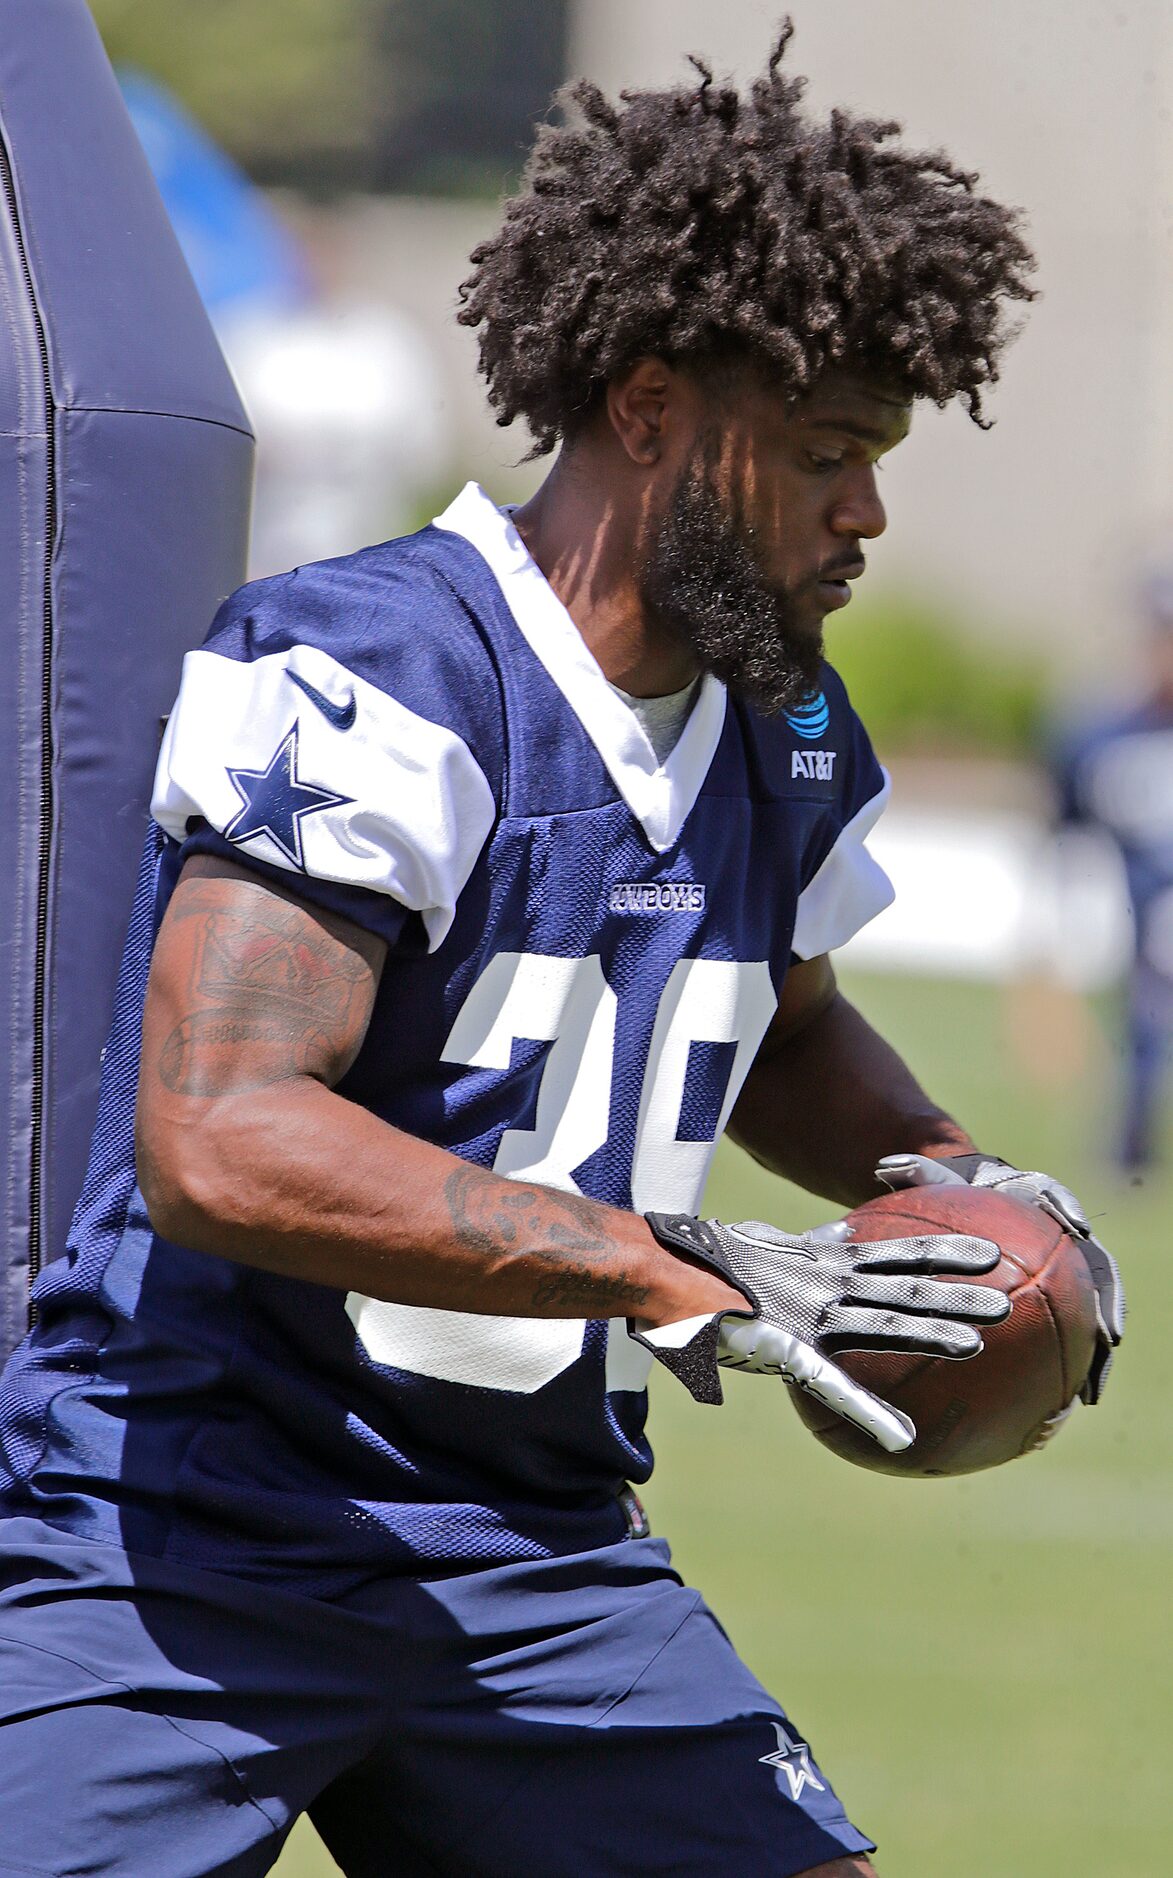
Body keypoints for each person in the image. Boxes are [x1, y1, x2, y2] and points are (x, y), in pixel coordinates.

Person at [0, 29, 1122, 1878]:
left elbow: (774, 1029)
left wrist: (955, 1179)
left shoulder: (782, 716)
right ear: (654, 407)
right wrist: (672, 1262)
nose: (868, 514)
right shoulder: (375, 669)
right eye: (828, 452)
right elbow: (220, 1139)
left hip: (531, 1553)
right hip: (193, 1528)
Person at [1053, 570, 1173, 1169]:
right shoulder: (1100, 731)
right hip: (1142, 922)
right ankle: (1130, 1153)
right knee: (1141, 1037)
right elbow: (1065, 843)